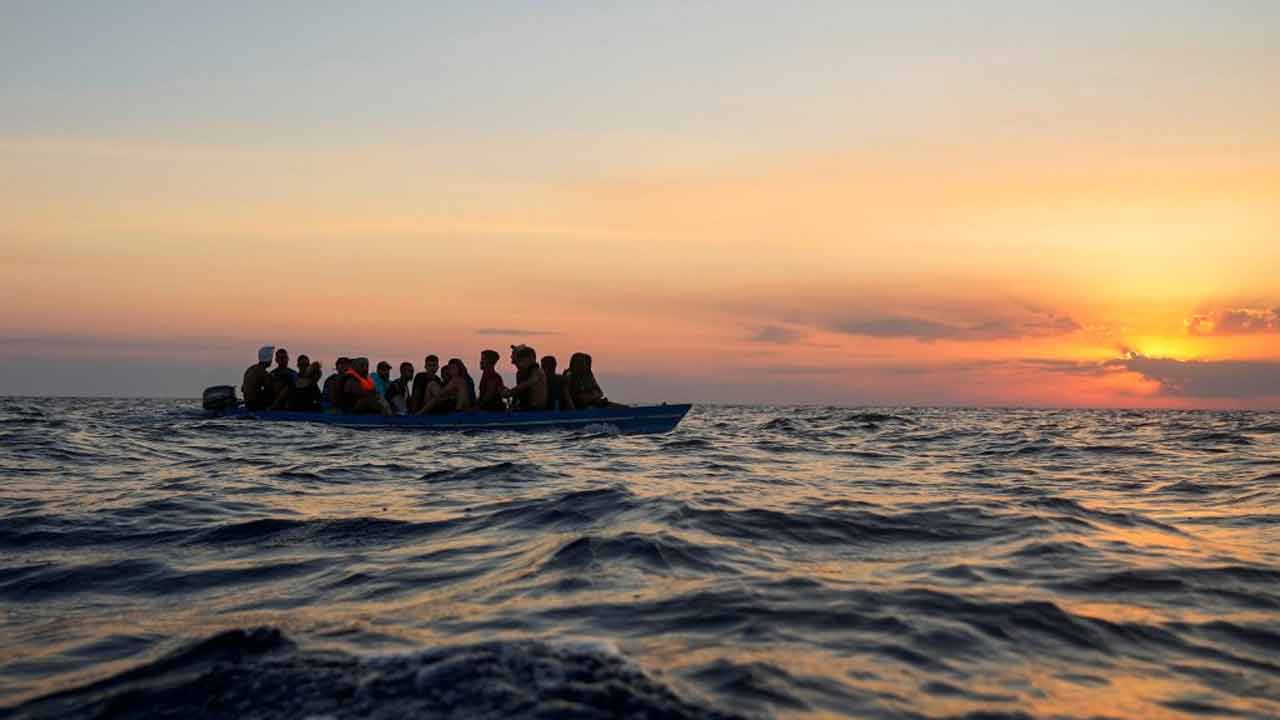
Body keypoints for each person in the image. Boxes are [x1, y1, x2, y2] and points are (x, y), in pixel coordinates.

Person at [503, 345, 547, 410]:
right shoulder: (520, 373)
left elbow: (530, 382)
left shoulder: (536, 371)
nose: (517, 365)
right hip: (524, 408)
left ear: (528, 359)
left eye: (518, 362)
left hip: (535, 410)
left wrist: (510, 392)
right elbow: (519, 391)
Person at [242, 346, 275, 411]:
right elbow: (269, 390)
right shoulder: (264, 373)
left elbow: (243, 388)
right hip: (255, 404)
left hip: (247, 402)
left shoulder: (250, 368)